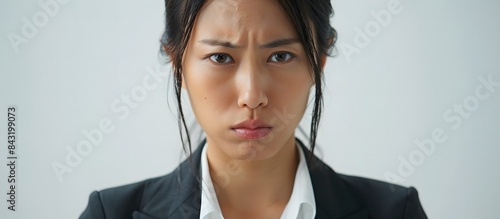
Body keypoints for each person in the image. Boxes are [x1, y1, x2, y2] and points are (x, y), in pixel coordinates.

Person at [80, 0, 428, 218]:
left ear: (319, 60)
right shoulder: (111, 214)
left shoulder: (395, 212)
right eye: (220, 57)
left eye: (280, 56)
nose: (252, 95)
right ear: (177, 64)